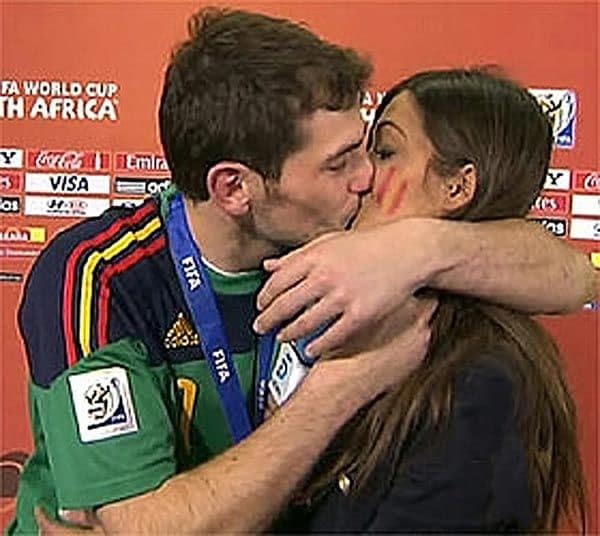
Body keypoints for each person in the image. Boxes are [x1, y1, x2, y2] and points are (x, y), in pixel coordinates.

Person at [17, 8, 594, 535]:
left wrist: (421, 246)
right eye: (340, 162)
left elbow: (572, 276)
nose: (366, 176)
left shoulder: (346, 236)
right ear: (235, 188)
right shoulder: (98, 277)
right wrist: (338, 390)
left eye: (371, 149)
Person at [270, 69, 588, 533]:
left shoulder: (477, 382)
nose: (361, 177)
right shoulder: (336, 301)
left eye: (385, 152)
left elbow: (582, 276)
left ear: (457, 188)